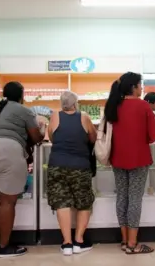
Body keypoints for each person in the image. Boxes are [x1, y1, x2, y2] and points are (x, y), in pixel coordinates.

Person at [0, 81, 44, 258]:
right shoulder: (24, 110)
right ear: (22, 95)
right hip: (8, 151)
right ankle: (4, 246)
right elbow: (36, 136)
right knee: (9, 202)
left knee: (2, 201)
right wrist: (43, 131)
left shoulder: (0, 108)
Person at [105, 72, 155, 255]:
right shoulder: (143, 106)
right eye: (140, 85)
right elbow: (152, 134)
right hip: (138, 159)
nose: (141, 89)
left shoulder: (114, 105)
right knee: (135, 199)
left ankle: (124, 240)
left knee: (122, 197)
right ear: (134, 87)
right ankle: (133, 244)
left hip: (117, 158)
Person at [47, 91, 97, 256]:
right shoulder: (84, 116)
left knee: (62, 202)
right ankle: (79, 241)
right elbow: (93, 137)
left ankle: (67, 243)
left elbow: (52, 137)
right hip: (80, 167)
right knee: (84, 202)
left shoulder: (55, 116)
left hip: (57, 165)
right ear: (76, 103)